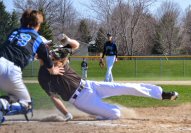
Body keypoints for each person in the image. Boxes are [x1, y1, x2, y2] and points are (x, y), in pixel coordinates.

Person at [38, 34, 179, 120]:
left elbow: (75, 45)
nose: (49, 48)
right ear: (38, 52)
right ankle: (101, 112)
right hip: (81, 100)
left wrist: (66, 39)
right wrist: (66, 114)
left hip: (89, 85)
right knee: (116, 113)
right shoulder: (43, 75)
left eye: (48, 45)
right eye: (45, 46)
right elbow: (54, 97)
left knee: (127, 86)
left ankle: (161, 94)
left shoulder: (57, 54)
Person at [0, 9, 64, 123]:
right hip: (11, 70)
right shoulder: (38, 39)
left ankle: (2, 108)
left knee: (14, 97)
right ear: (37, 25)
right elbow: (48, 61)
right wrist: (53, 70)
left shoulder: (14, 31)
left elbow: (16, 46)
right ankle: (2, 105)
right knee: (27, 105)